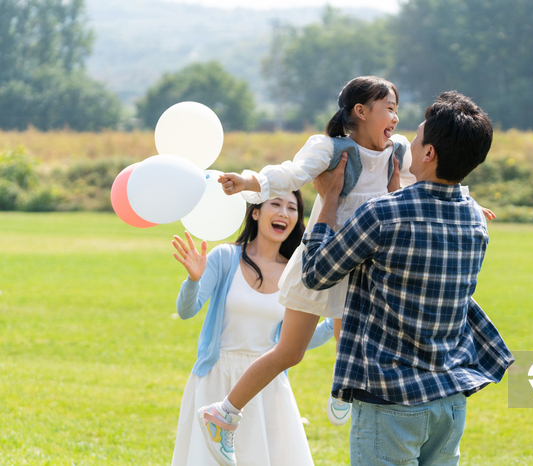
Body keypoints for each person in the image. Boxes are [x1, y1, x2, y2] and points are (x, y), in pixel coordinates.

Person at [199, 77, 494, 466]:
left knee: (348, 335)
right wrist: (249, 181)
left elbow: (437, 174)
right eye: (389, 108)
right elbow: (291, 174)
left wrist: (465, 203)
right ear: (360, 111)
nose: (397, 118)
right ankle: (226, 413)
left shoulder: (399, 149)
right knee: (290, 351)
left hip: (369, 261)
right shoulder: (331, 149)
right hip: (331, 253)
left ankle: (343, 390)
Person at [301, 91, 514, 465]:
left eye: (417, 137)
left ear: (429, 154)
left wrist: (329, 200)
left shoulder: (382, 213)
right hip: (449, 399)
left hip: (390, 401)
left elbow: (316, 274)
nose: (408, 143)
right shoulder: (475, 218)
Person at [170, 191, 332, 466]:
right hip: (216, 377)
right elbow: (187, 310)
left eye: (292, 208)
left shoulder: (296, 272)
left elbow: (294, 342)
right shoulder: (225, 257)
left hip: (267, 381)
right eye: (276, 204)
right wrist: (193, 280)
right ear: (255, 212)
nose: (284, 213)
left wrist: (334, 323)